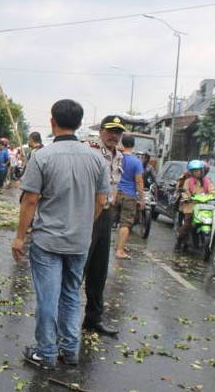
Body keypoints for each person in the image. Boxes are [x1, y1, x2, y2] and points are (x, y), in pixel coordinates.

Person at [12, 99, 109, 369]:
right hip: (80, 241)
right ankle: (70, 350)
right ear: (79, 124)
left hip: (47, 240)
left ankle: (46, 352)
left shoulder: (42, 157)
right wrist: (82, 224)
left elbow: (30, 200)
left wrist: (20, 237)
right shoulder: (96, 158)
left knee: (47, 296)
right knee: (70, 295)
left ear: (52, 121)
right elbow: (101, 201)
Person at [83, 115, 126, 336]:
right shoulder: (89, 150)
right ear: (101, 131)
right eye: (110, 131)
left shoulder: (119, 155)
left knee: (99, 269)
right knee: (79, 266)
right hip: (88, 211)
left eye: (118, 132)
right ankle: (64, 319)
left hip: (106, 214)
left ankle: (93, 318)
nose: (114, 135)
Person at [175, 160, 215, 252]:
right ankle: (178, 243)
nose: (196, 173)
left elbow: (213, 190)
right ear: (191, 172)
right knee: (187, 225)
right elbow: (185, 191)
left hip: (203, 207)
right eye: (194, 171)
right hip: (190, 207)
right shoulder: (188, 181)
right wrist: (187, 197)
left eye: (198, 170)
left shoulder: (207, 181)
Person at [114, 136, 145, 260]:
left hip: (116, 193)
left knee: (116, 221)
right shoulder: (136, 162)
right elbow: (139, 181)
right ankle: (120, 250)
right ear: (133, 145)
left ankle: (119, 245)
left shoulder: (117, 158)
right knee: (125, 223)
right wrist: (141, 198)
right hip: (129, 195)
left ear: (122, 143)